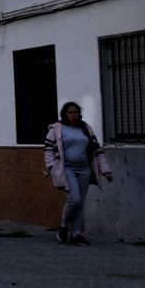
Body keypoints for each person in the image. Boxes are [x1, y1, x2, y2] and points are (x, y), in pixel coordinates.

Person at [43, 101, 112, 245]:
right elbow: (48, 149)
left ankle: (76, 234)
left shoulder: (86, 128)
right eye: (70, 112)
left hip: (85, 169)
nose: (73, 115)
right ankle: (63, 228)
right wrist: (51, 167)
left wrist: (105, 170)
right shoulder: (57, 129)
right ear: (65, 114)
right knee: (74, 199)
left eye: (76, 112)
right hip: (67, 169)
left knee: (80, 202)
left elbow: (97, 150)